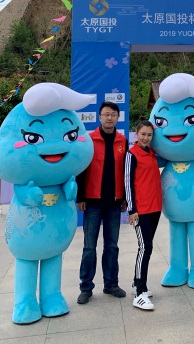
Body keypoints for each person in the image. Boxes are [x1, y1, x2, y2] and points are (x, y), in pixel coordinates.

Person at [76, 101, 128, 304]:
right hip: (93, 202)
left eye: (113, 114)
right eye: (106, 114)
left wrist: (125, 198)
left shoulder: (122, 141)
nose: (109, 118)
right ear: (99, 117)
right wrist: (81, 197)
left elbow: (126, 172)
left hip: (114, 202)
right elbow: (81, 169)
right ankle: (86, 287)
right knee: (89, 247)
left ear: (117, 117)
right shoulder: (89, 140)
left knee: (112, 246)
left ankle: (111, 284)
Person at [125, 119, 162, 311]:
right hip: (141, 210)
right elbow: (128, 183)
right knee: (145, 247)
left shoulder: (152, 153)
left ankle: (136, 284)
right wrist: (132, 210)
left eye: (149, 135)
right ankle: (140, 293)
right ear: (136, 134)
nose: (146, 138)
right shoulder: (131, 154)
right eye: (143, 134)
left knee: (147, 246)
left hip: (155, 208)